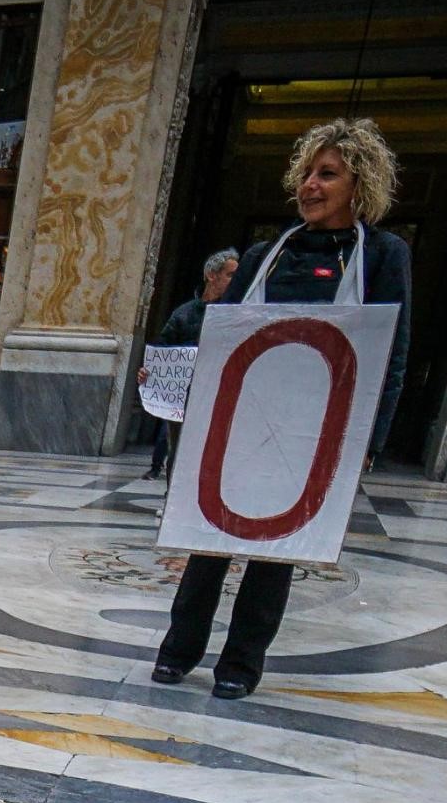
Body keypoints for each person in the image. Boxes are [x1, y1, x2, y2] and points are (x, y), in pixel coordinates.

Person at [152, 117, 412, 700]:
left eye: (329, 175)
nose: (312, 186)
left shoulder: (385, 256)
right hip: (246, 414)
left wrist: (372, 439)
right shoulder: (269, 252)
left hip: (319, 426)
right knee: (211, 537)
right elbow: (224, 337)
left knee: (279, 545)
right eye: (308, 174)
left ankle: (241, 663)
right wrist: (173, 378)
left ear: (358, 185)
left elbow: (390, 352)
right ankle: (179, 649)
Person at [146, 250, 240, 481]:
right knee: (176, 448)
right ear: (212, 275)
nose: (235, 281)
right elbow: (162, 349)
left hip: (218, 397)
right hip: (182, 396)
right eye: (230, 275)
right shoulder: (185, 313)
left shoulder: (236, 313)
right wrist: (149, 372)